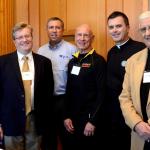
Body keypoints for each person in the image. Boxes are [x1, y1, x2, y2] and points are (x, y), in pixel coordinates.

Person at [0, 22, 54, 150]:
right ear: (14, 41)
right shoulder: (2, 63)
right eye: (20, 37)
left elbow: (48, 94)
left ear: (32, 37)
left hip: (36, 121)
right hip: (10, 120)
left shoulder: (44, 63)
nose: (24, 40)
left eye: (27, 36)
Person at [106, 11, 146, 150]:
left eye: (118, 26)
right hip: (113, 116)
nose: (114, 30)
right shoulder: (110, 52)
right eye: (111, 27)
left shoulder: (140, 49)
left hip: (133, 117)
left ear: (128, 27)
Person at [63, 24, 106, 150]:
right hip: (72, 120)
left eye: (86, 35)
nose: (82, 38)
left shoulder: (98, 61)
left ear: (92, 38)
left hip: (89, 120)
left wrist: (93, 121)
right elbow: (68, 91)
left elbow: (102, 94)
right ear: (75, 37)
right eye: (79, 35)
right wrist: (66, 116)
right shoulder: (72, 62)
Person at [38, 17, 77, 150]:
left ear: (62, 30)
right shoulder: (41, 51)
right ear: (47, 30)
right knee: (48, 138)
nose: (54, 30)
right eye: (51, 27)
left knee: (68, 137)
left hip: (65, 100)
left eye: (57, 27)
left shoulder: (72, 50)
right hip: (47, 102)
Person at [119, 11, 150, 150]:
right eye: (143, 29)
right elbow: (125, 97)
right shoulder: (133, 61)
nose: (147, 33)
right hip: (140, 135)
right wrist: (136, 124)